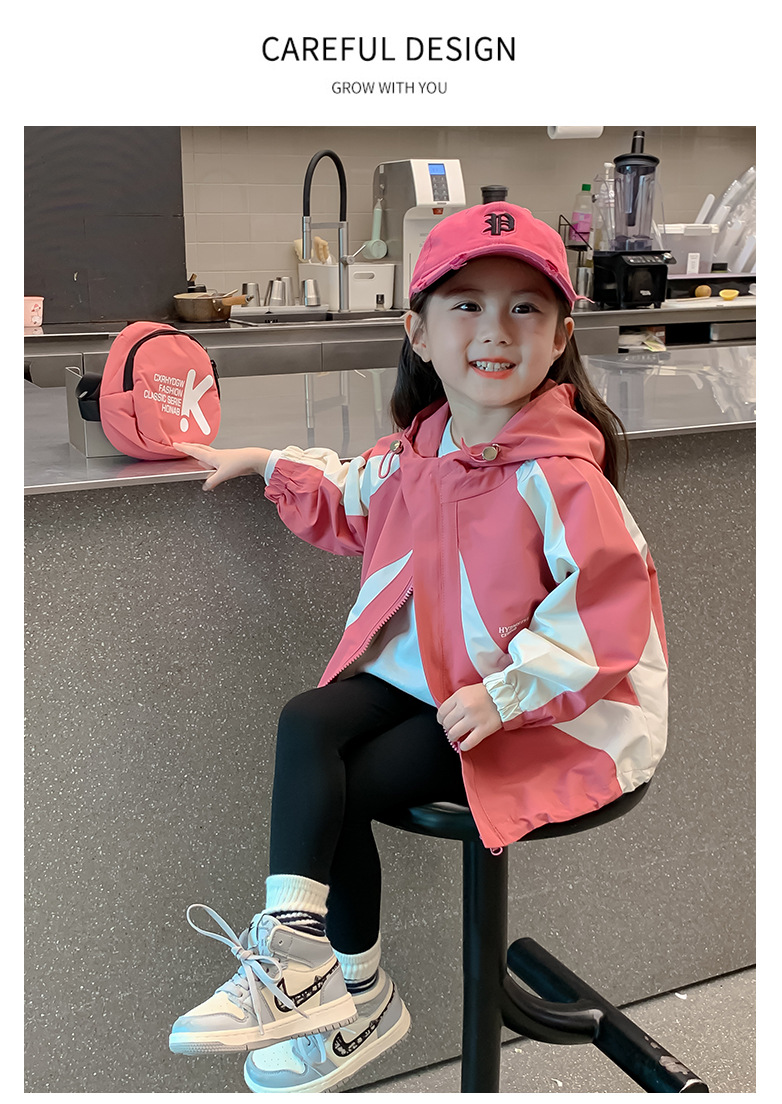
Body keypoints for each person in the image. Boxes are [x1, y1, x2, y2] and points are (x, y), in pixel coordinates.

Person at [169, 202, 668, 1094]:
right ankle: (303, 958)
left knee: (344, 788)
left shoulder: (560, 476)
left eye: (525, 308)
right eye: (466, 304)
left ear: (560, 339)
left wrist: (505, 694)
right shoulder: (425, 446)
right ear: (420, 332)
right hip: (438, 676)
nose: (495, 330)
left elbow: (608, 617)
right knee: (308, 721)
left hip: (541, 707)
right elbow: (354, 493)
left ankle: (357, 997)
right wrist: (266, 463)